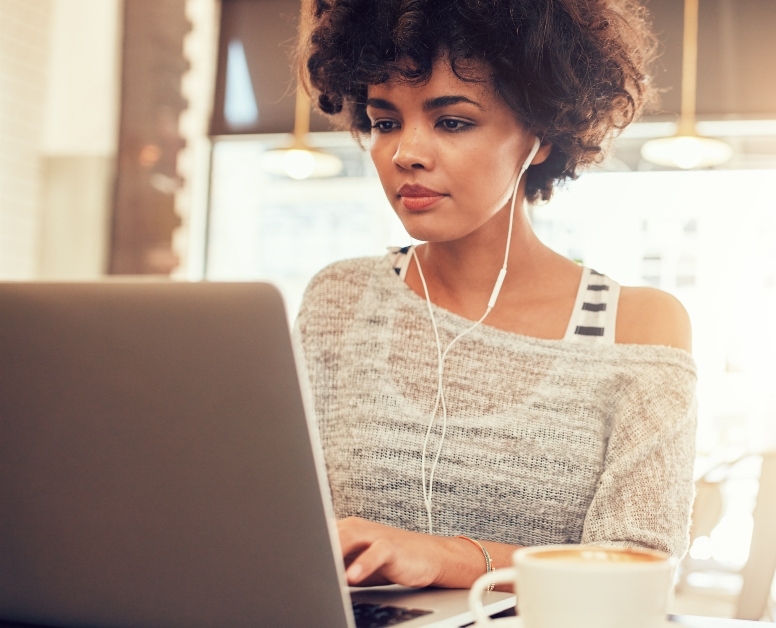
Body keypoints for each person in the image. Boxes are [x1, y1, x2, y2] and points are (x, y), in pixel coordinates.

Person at [295, 0, 697, 590]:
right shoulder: (340, 301)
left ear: (539, 136)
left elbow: (639, 568)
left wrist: (442, 558)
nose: (406, 152)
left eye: (451, 121)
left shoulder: (635, 327)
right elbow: (289, 528)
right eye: (385, 122)